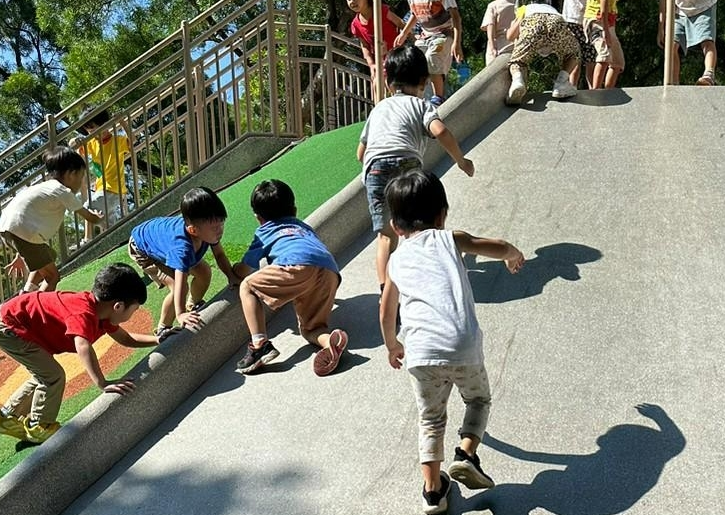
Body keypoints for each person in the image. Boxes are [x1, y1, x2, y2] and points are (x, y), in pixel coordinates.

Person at [380, 169, 525, 515]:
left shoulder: (396, 260)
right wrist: (513, 254)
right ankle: (466, 453)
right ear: (442, 213)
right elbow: (497, 246)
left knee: (430, 419)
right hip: (463, 346)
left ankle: (433, 491)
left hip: (419, 352)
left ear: (397, 227)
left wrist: (392, 345)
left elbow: (387, 311)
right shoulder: (450, 239)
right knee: (477, 399)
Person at [0, 263, 168, 444]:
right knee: (53, 376)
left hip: (14, 323)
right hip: (9, 326)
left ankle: (6, 417)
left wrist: (159, 339)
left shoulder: (102, 315)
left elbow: (127, 339)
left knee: (45, 375)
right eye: (134, 309)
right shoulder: (83, 313)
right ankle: (39, 426)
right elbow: (82, 345)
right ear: (118, 306)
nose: (133, 314)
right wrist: (102, 383)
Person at [357, 45, 474, 296]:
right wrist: (461, 161)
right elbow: (440, 131)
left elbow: (360, 153)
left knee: (387, 237)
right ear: (424, 82)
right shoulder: (421, 107)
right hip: (407, 165)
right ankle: (433, 270)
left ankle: (386, 292)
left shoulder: (378, 109)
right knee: (422, 225)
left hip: (375, 170)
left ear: (388, 82)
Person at [232, 180, 349, 376]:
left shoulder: (264, 232)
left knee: (247, 286)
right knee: (311, 328)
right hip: (329, 270)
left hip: (296, 266)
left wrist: (234, 270)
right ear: (294, 210)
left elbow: (245, 269)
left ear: (258, 218)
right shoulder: (303, 227)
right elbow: (311, 254)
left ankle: (259, 344)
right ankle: (330, 342)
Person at [127, 187, 239, 336]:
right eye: (215, 227)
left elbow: (219, 255)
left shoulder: (207, 232)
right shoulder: (182, 248)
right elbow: (181, 280)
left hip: (161, 236)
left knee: (204, 271)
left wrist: (231, 276)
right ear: (193, 230)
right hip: (142, 247)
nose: (220, 230)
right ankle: (163, 327)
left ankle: (193, 304)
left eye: (221, 222)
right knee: (176, 285)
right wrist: (180, 314)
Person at [0, 147, 104, 293]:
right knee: (52, 277)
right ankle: (32, 308)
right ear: (70, 174)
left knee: (49, 256)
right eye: (80, 178)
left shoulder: (44, 187)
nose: (81, 184)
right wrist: (99, 218)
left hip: (7, 228)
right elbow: (89, 217)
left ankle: (29, 290)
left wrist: (19, 254)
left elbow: (22, 219)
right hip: (24, 231)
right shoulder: (63, 191)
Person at [505, 0, 581, 104]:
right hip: (556, 21)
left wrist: (517, 25)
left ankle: (517, 81)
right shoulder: (551, 9)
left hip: (533, 22)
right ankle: (561, 83)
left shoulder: (524, 9)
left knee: (518, 60)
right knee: (574, 52)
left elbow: (510, 36)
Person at [74, 109, 132, 241]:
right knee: (107, 222)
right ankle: (120, 237)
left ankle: (87, 239)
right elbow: (78, 151)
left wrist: (123, 123)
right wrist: (75, 142)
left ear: (105, 124)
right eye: (88, 130)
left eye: (94, 128)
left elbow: (131, 141)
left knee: (88, 207)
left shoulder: (116, 141)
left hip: (114, 188)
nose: (92, 133)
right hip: (102, 188)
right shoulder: (92, 143)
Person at [395, 0, 464, 103]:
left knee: (431, 57)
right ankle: (417, 95)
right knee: (414, 58)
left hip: (444, 33)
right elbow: (415, 15)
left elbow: (456, 17)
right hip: (426, 36)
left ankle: (438, 96)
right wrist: (404, 33)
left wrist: (457, 43)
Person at [348, 0, 406, 101]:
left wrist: (413, 38)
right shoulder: (356, 24)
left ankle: (399, 104)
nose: (352, 2)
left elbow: (401, 24)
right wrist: (371, 64)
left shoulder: (381, 11)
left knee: (392, 82)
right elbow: (364, 45)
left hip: (397, 54)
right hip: (381, 59)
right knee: (376, 83)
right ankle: (378, 108)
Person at [657, 0, 718, 86]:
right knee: (671, 46)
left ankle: (709, 74)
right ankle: (673, 82)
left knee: (707, 41)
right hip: (679, 11)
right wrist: (661, 29)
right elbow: (663, 1)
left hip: (704, 7)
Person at [584, 0, 623, 88]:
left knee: (618, 62)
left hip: (608, 22)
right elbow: (603, 4)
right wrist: (605, 30)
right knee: (604, 56)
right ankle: (595, 93)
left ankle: (607, 93)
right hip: (597, 19)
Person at [562, 0, 597, 87]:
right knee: (574, 61)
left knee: (591, 61)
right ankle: (572, 89)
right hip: (572, 19)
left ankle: (594, 93)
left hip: (590, 20)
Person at [481, 0, 516, 66]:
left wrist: (493, 48)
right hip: (515, 48)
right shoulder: (519, 5)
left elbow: (490, 26)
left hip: (498, 48)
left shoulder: (493, 5)